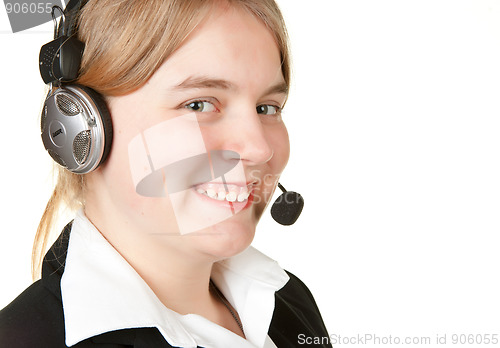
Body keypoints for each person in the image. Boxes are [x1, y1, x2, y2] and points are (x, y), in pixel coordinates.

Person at [0, 0, 331, 347]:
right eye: (199, 104)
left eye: (267, 108)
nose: (259, 148)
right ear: (81, 126)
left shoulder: (288, 301)